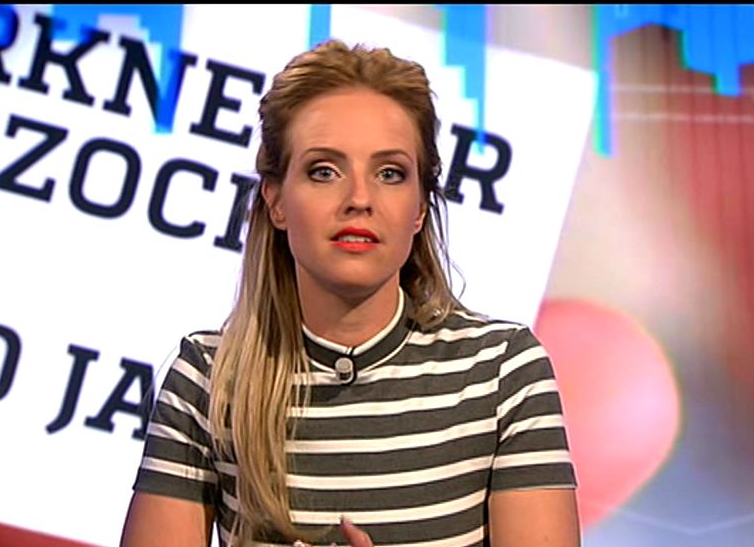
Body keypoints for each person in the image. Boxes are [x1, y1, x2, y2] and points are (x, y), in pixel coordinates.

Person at [120, 39, 580, 547]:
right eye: (324, 171)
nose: (359, 198)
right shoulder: (208, 378)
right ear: (275, 200)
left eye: (390, 174)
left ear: (420, 207)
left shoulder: (502, 372)